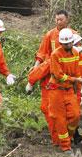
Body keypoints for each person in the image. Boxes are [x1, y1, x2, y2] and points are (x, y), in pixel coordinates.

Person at [32, 9, 76, 143]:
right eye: (56, 19)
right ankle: (57, 138)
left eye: (61, 19)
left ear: (67, 19)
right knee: (47, 109)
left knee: (73, 112)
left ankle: (71, 135)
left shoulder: (74, 35)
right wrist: (36, 68)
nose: (58, 22)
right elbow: (41, 53)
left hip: (69, 79)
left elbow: (78, 57)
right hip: (49, 76)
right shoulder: (50, 35)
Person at [48, 28, 82, 153]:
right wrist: (75, 79)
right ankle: (65, 146)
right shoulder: (55, 55)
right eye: (65, 44)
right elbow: (59, 76)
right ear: (61, 43)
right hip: (56, 90)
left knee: (75, 115)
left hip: (69, 89)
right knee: (60, 118)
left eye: (70, 43)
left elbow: (76, 72)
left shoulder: (76, 53)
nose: (68, 45)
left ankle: (69, 137)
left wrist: (77, 86)